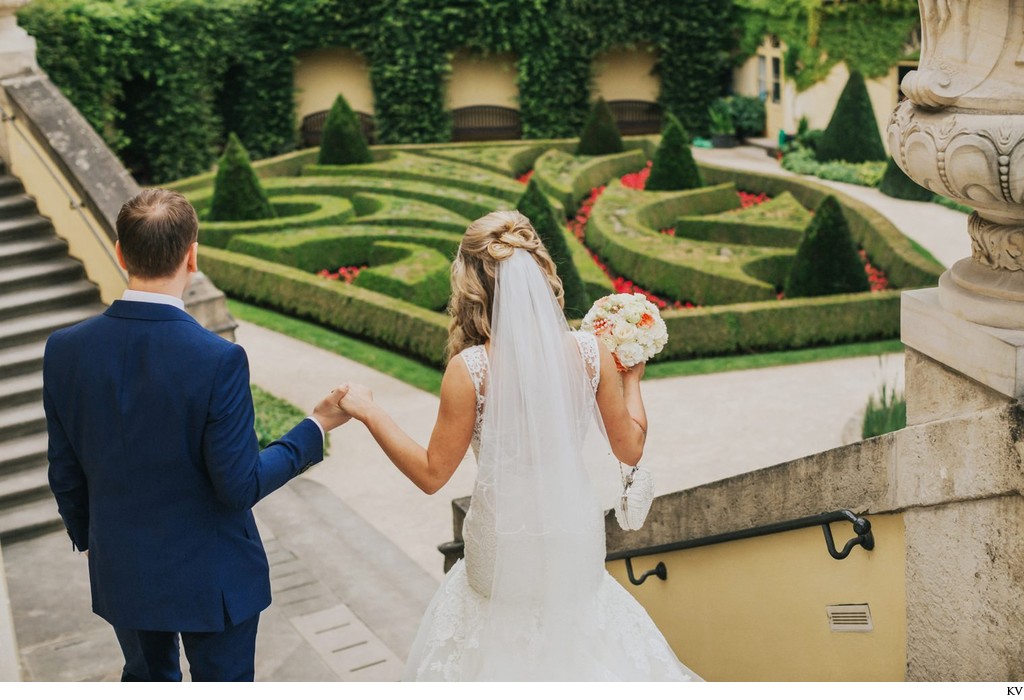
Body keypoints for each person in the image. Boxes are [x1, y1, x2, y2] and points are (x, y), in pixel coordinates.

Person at [338, 210, 700, 681]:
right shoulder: (591, 353)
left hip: (504, 547)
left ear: (469, 285)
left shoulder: (470, 371)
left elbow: (431, 475)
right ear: (539, 270)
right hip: (572, 538)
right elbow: (630, 449)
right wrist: (632, 378)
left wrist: (369, 410)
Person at [43, 188, 351, 682]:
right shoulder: (217, 359)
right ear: (193, 255)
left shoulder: (63, 351)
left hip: (123, 566)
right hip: (214, 575)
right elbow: (239, 485)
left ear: (120, 254)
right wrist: (312, 429)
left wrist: (94, 541)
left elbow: (65, 470)